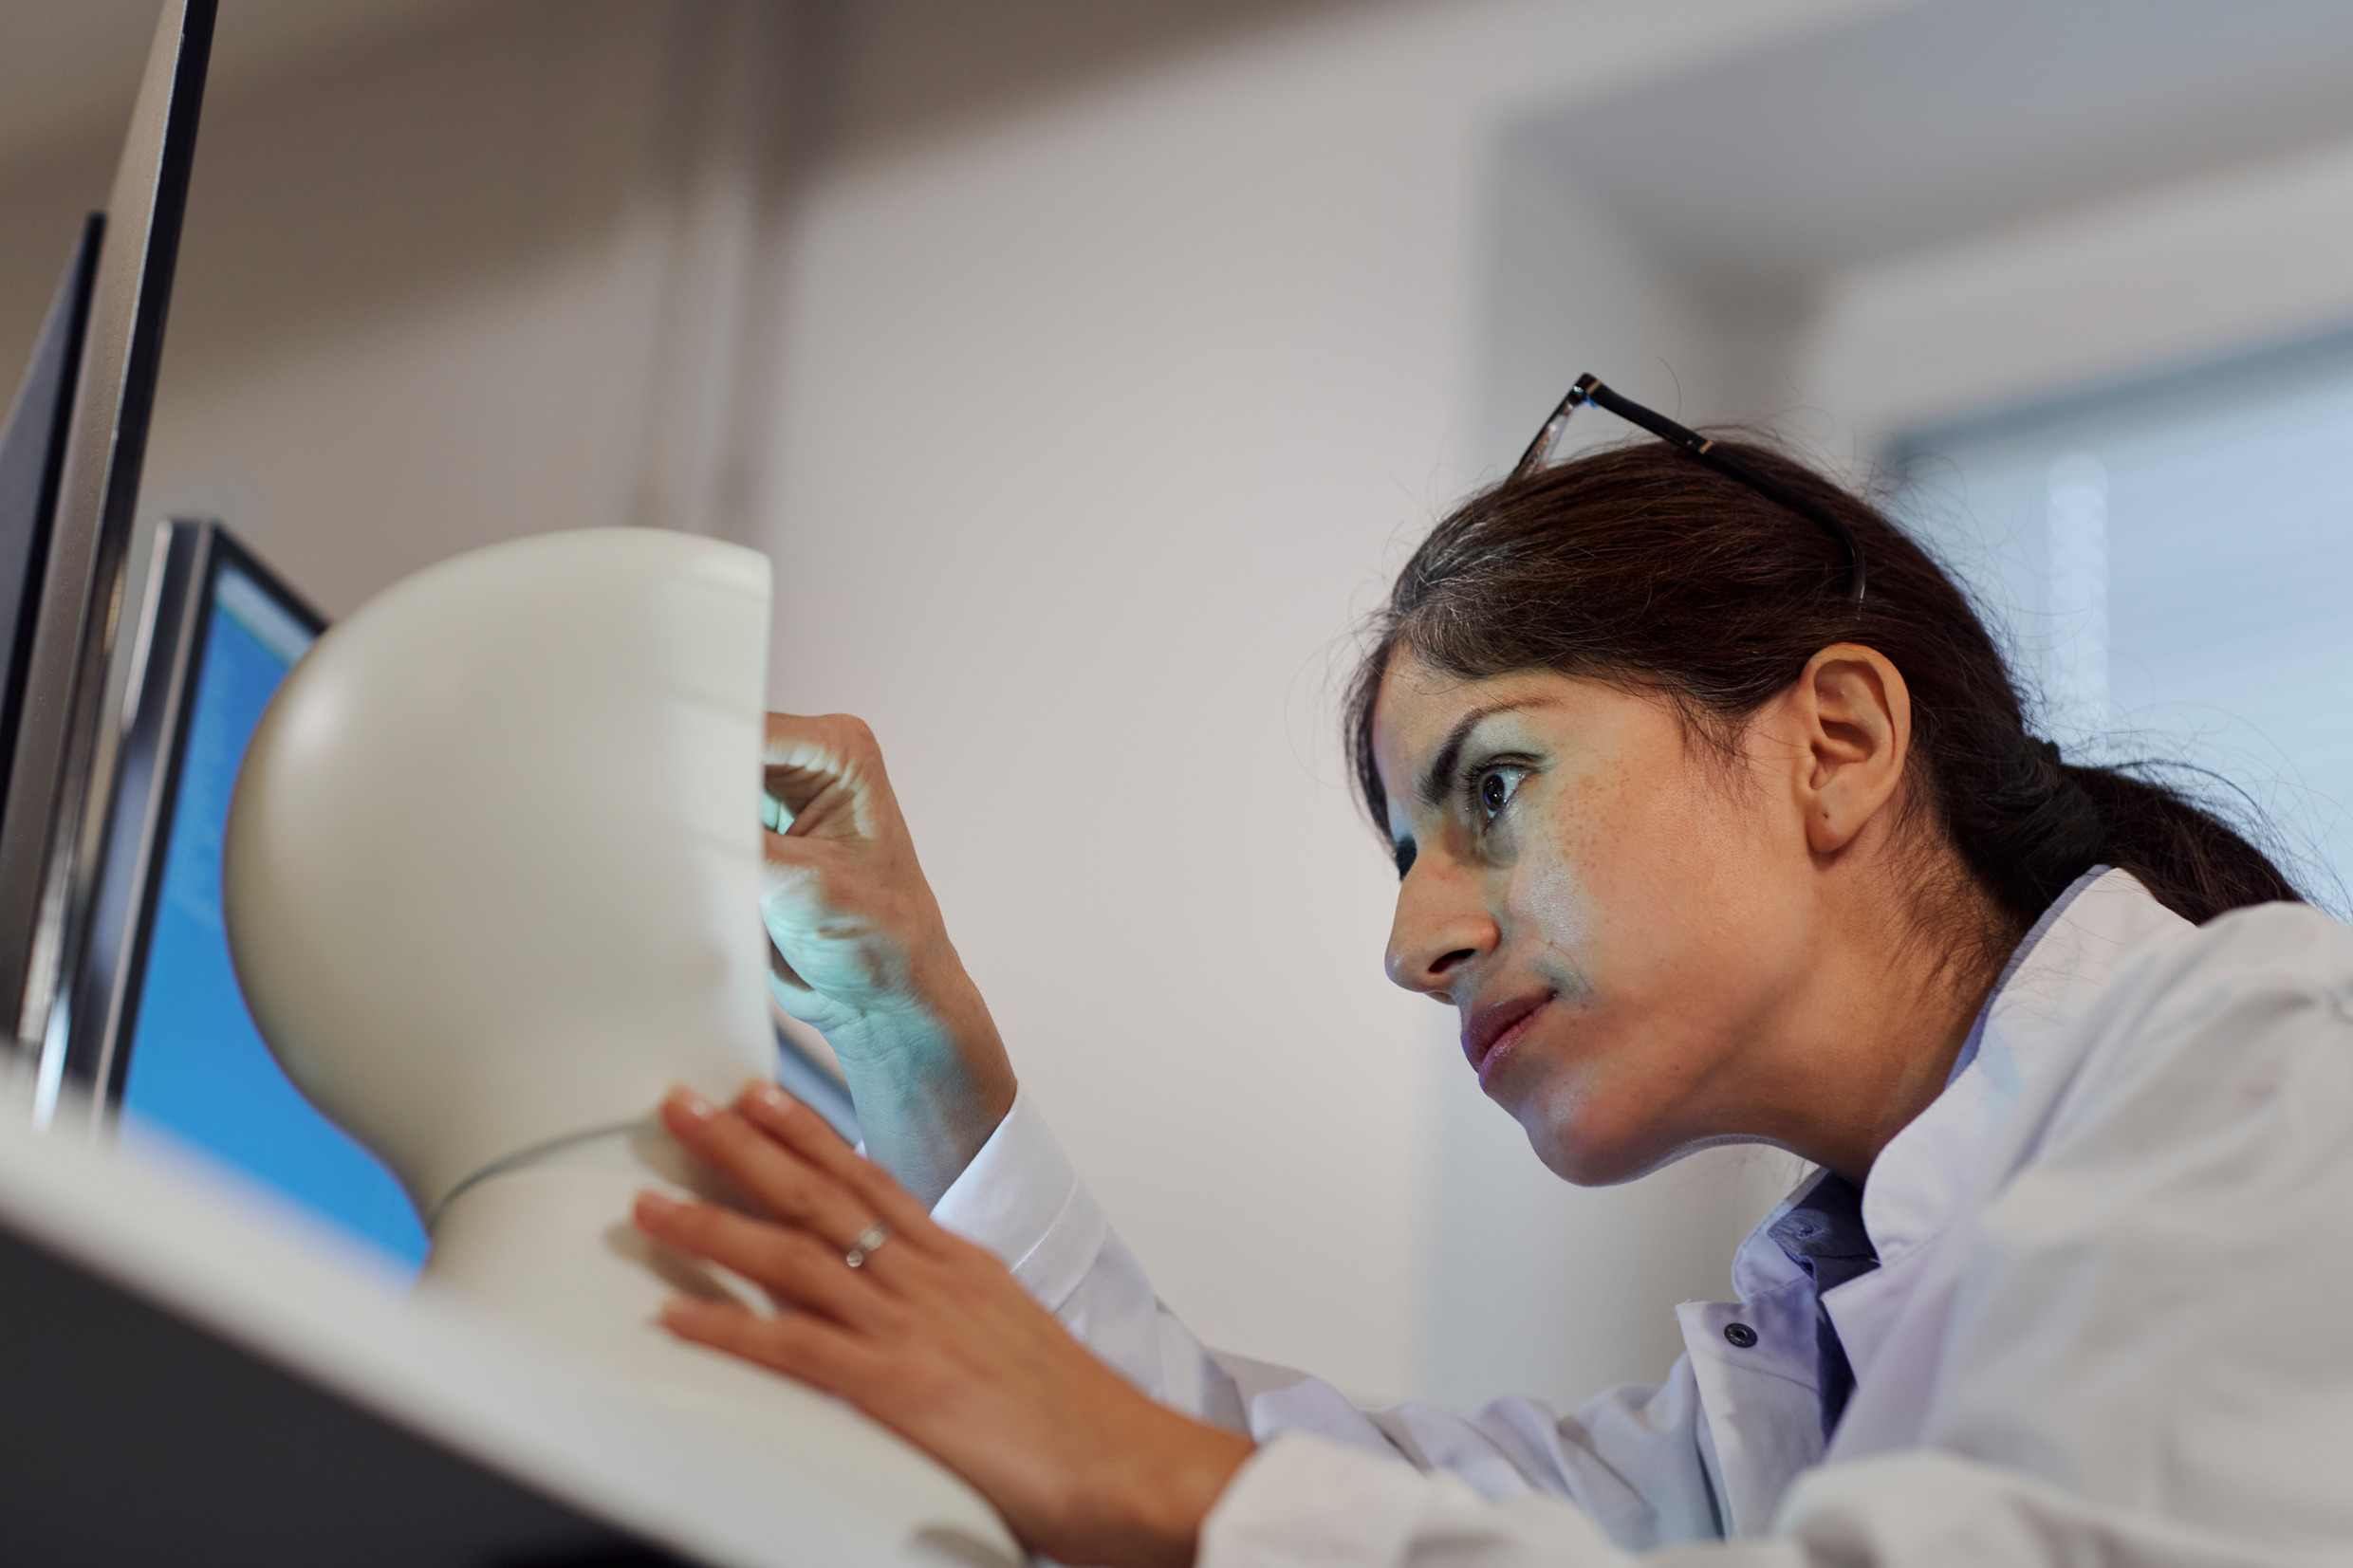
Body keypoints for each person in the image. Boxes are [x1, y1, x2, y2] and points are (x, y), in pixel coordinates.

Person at [628, 378, 2353, 1568]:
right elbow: (1279, 1483)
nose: (1414, 941)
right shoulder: (1765, 1404)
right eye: (1406, 853)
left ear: (1834, 740)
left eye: (1495, 788)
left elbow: (1198, 1492)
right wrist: (896, 1012)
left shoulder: (2270, 1057)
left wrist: (1169, 1488)